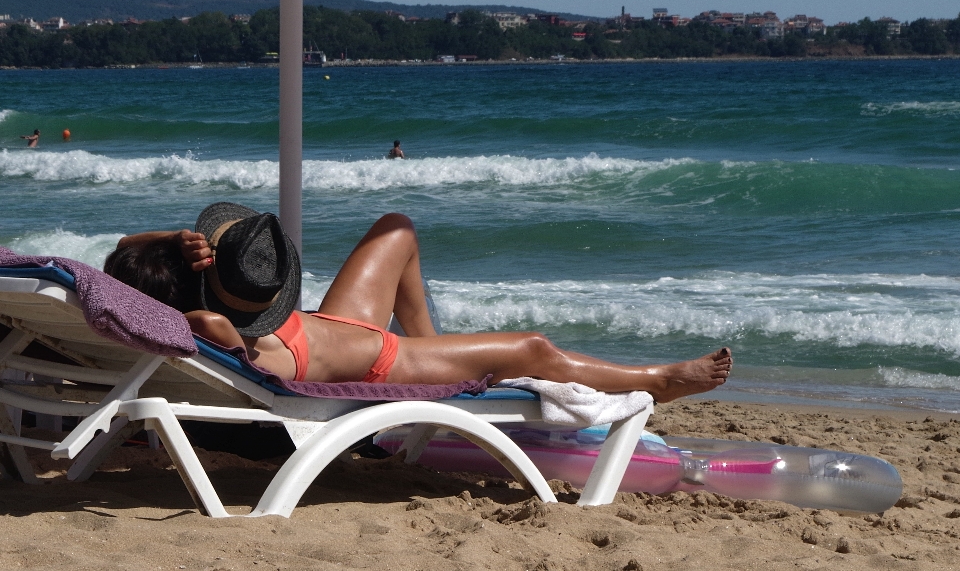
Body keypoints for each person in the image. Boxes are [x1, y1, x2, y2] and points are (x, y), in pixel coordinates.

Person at [104, 203, 732, 402]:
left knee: (396, 228)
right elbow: (200, 315)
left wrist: (167, 242)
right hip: (382, 362)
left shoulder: (170, 308)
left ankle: (442, 351)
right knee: (535, 349)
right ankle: (661, 379)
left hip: (332, 325)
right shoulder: (208, 324)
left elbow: (121, 253)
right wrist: (199, 291)